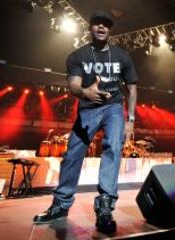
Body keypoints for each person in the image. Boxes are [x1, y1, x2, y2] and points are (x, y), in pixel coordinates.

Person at [33, 10, 138, 234]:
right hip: (88, 109)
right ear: (90, 28)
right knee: (72, 154)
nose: (101, 28)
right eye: (97, 24)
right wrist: (84, 92)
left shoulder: (122, 56)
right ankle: (60, 206)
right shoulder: (78, 56)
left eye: (106, 25)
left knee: (114, 147)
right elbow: (73, 84)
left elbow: (132, 87)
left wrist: (131, 119)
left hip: (113, 107)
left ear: (110, 30)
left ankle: (105, 207)